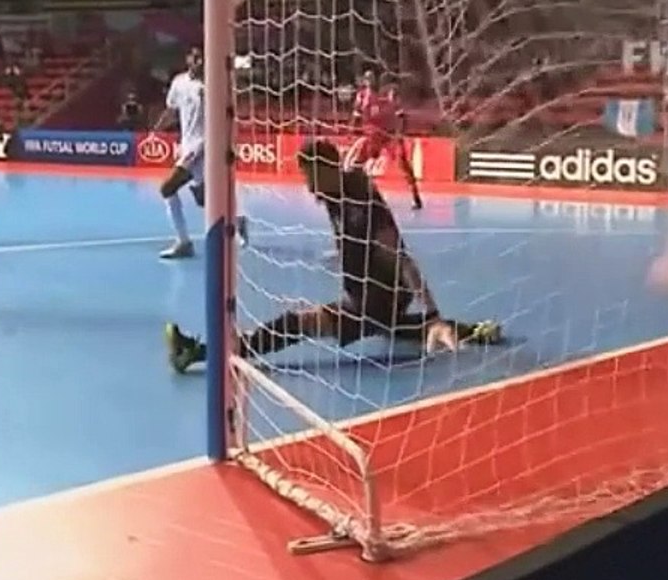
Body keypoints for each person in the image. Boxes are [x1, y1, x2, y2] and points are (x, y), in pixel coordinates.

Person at [165, 139, 502, 373]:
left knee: (300, 322)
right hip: (367, 296)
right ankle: (475, 331)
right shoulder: (335, 193)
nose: (308, 186)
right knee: (395, 329)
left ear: (326, 170)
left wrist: (433, 311)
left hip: (376, 298)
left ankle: (203, 353)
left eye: (310, 176)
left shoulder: (362, 204)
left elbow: (401, 257)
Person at [150, 47, 249, 260]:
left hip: (204, 147)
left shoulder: (213, 83)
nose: (198, 61)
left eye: (202, 57)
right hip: (187, 145)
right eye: (194, 57)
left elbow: (227, 112)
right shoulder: (179, 82)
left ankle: (184, 242)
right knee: (204, 200)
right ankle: (238, 219)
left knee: (167, 188)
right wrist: (156, 129)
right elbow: (171, 109)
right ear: (188, 59)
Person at [346, 71, 424, 212]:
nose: (370, 82)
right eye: (367, 79)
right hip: (372, 136)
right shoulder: (362, 96)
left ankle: (416, 197)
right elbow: (356, 115)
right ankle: (354, 195)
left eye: (372, 78)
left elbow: (402, 116)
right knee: (356, 165)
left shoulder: (389, 94)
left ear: (377, 80)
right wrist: (351, 131)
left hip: (389, 136)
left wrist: (399, 134)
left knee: (403, 163)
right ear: (365, 81)